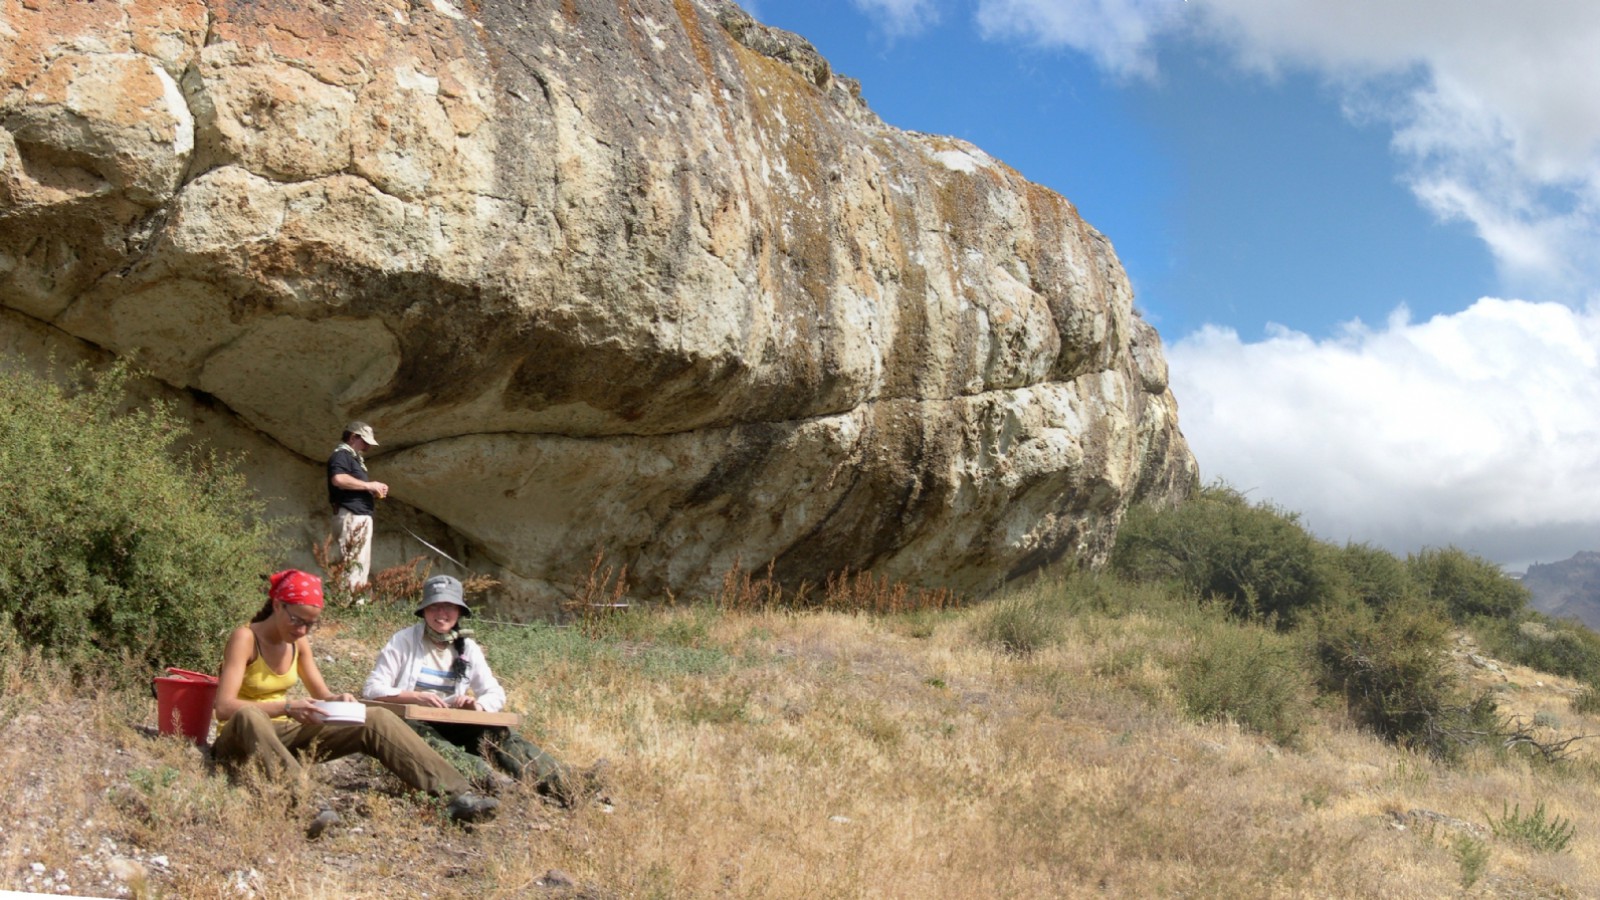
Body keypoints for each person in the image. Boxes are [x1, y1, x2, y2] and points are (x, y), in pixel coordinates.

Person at [212, 569, 499, 835]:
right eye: (297, 620)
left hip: (283, 736)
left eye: (310, 625)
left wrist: (339, 700)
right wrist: (287, 707)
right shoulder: (246, 638)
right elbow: (224, 707)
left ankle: (456, 797)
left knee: (374, 718)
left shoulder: (297, 642)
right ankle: (304, 804)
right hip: (241, 738)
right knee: (250, 715)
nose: (302, 630)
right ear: (277, 605)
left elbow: (323, 694)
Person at [363, 574, 598, 806]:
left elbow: (495, 693)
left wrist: (477, 706)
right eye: (434, 607)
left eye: (448, 607)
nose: (440, 614)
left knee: (500, 734)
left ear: (459, 611)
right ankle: (489, 778)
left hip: (453, 721)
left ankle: (565, 782)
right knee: (427, 739)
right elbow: (372, 688)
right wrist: (415, 697)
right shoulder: (403, 641)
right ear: (424, 610)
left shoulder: (468, 648)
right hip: (412, 722)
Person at [327, 421, 387, 594]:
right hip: (351, 516)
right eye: (365, 441)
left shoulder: (354, 458)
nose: (368, 446)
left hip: (359, 516)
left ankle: (354, 602)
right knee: (352, 561)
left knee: (359, 562)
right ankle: (347, 604)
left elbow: (351, 483)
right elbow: (338, 479)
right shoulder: (341, 455)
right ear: (353, 436)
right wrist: (370, 486)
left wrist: (373, 490)